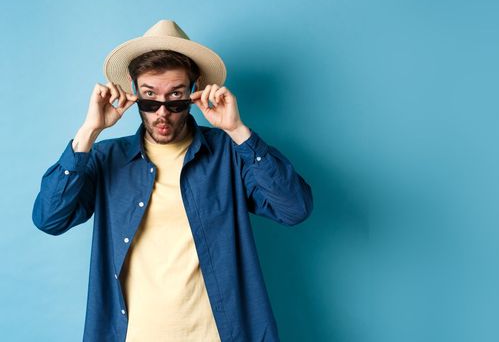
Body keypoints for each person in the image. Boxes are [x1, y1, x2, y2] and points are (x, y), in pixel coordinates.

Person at [31, 19, 313, 342]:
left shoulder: (229, 155)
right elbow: (49, 217)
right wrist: (88, 132)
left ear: (194, 92)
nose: (162, 113)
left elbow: (295, 208)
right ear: (134, 94)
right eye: (150, 98)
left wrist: (238, 131)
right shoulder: (107, 159)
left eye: (175, 97)